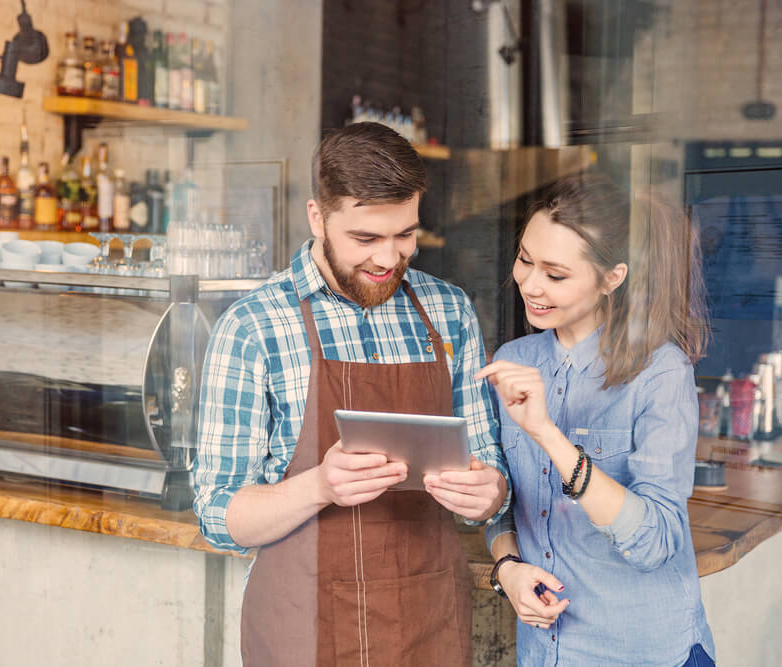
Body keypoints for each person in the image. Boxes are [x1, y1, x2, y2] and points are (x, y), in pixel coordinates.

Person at [193, 121, 509, 666]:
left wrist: (489, 494)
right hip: (303, 630)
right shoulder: (252, 327)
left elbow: (491, 473)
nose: (388, 258)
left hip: (426, 623)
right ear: (317, 217)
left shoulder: (449, 312)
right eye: (365, 238)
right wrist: (320, 484)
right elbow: (219, 515)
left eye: (405, 234)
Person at [478, 173, 717, 666]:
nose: (531, 284)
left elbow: (654, 542)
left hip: (642, 651)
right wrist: (507, 567)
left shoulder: (660, 372)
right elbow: (504, 501)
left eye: (556, 274)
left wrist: (547, 434)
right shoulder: (514, 358)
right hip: (545, 653)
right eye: (525, 259)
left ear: (612, 278)